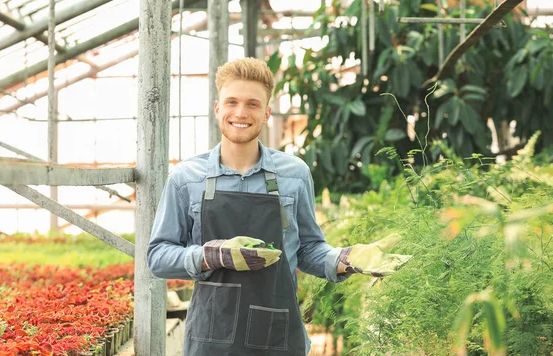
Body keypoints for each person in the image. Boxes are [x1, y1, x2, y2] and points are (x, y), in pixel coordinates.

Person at [147, 58, 410, 355]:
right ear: (217, 108)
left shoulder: (293, 174)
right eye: (231, 102)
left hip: (277, 336)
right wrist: (210, 255)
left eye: (252, 104)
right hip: (211, 338)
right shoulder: (187, 178)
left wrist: (346, 258)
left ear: (267, 112)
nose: (240, 113)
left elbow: (307, 248)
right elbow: (157, 255)